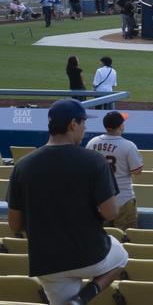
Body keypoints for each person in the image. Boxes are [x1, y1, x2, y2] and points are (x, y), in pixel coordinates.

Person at [5, 99, 128, 305]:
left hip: (46, 261)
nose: (84, 128)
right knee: (122, 256)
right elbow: (111, 212)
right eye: (83, 123)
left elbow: (15, 225)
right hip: (90, 254)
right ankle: (83, 298)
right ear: (72, 124)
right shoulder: (94, 160)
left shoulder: (22, 166)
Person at [86, 111, 143, 230]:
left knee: (103, 237)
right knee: (125, 237)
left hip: (100, 200)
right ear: (120, 126)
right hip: (124, 199)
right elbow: (137, 171)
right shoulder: (128, 145)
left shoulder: (92, 143)